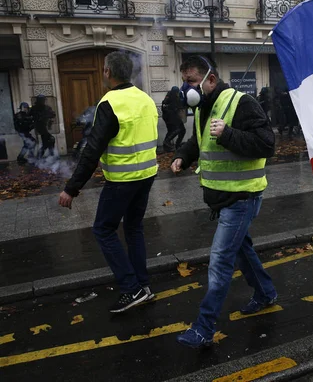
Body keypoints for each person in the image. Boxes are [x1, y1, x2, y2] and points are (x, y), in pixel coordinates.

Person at [171, 56, 277, 349]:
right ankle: (266, 294)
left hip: (242, 198)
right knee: (242, 251)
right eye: (185, 81)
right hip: (224, 197)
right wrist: (182, 155)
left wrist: (229, 134)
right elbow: (198, 141)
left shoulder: (242, 103)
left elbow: (268, 143)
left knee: (220, 261)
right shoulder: (205, 107)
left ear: (211, 80)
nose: (186, 88)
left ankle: (204, 328)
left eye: (191, 81)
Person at [59, 52, 159, 313]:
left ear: (107, 72)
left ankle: (131, 288)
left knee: (103, 230)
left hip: (122, 180)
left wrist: (72, 188)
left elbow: (92, 150)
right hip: (147, 176)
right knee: (134, 228)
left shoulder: (110, 103)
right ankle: (143, 285)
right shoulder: (145, 98)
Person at [161, 86, 186, 152]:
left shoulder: (169, 96)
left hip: (170, 117)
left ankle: (172, 145)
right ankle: (167, 142)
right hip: (171, 117)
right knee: (178, 130)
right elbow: (180, 105)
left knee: (176, 130)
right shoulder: (173, 97)